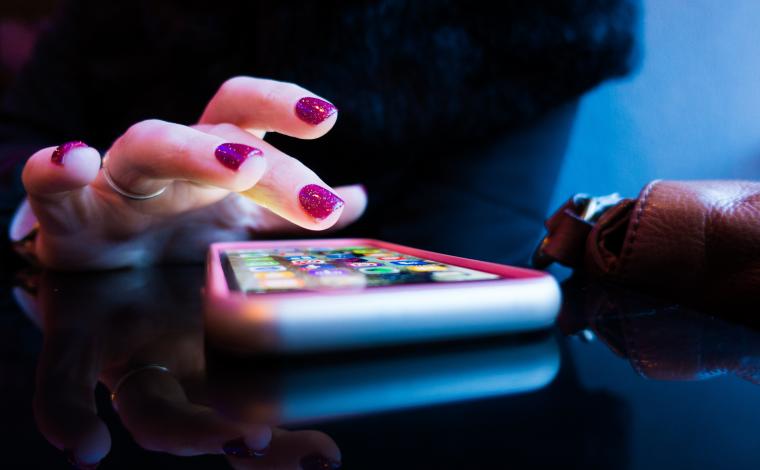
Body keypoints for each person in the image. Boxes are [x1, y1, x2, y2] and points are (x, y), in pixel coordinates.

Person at [0, 0, 637, 270]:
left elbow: (467, 256)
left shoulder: (533, 33)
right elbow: (20, 139)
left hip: (434, 404)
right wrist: (40, 230)